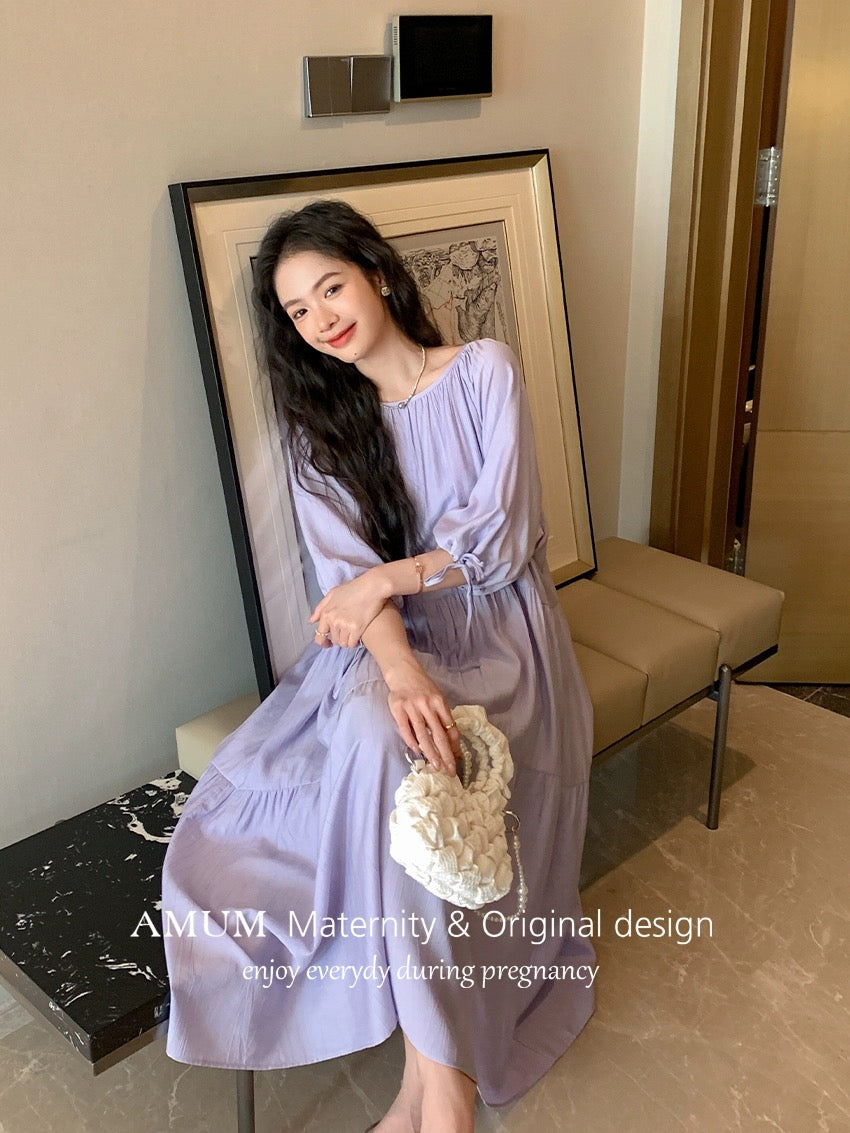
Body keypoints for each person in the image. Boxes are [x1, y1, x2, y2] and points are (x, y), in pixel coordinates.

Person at [161, 199, 596, 1132]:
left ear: (380, 275)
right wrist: (399, 668)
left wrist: (384, 581)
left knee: (417, 765)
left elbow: (503, 538)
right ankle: (441, 1086)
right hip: (395, 645)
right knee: (382, 733)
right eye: (298, 310)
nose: (321, 318)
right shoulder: (320, 430)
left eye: (331, 288)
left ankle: (428, 1090)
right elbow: (348, 580)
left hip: (504, 635)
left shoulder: (483, 370)